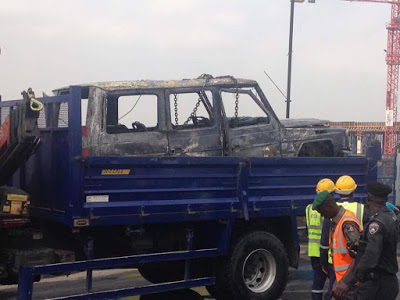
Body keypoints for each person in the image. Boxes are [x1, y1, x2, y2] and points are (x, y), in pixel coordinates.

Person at [334, 182, 399, 300]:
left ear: (369, 198)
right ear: (385, 199)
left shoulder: (376, 224)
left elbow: (371, 256)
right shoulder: (390, 217)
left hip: (376, 285)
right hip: (388, 283)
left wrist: (348, 282)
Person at [313, 191, 361, 300]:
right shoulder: (335, 222)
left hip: (351, 284)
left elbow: (360, 255)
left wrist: (345, 282)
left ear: (329, 205)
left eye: (322, 211)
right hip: (343, 281)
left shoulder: (347, 224)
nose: (321, 215)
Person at [306, 179, 336, 300]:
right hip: (327, 251)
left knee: (318, 280)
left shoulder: (309, 208)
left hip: (313, 251)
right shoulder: (329, 210)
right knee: (333, 280)